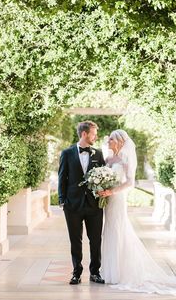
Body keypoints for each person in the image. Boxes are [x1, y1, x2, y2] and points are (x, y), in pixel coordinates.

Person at [99, 129, 176, 295]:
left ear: (119, 141)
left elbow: (130, 183)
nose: (108, 142)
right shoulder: (109, 158)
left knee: (117, 230)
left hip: (117, 200)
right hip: (108, 200)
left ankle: (120, 273)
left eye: (110, 139)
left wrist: (112, 192)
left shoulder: (126, 158)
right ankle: (110, 271)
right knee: (109, 231)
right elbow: (105, 177)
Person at [58, 120, 105, 285]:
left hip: (94, 205)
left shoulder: (98, 154)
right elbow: (62, 178)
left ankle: (95, 272)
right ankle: (76, 273)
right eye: (93, 134)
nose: (95, 137)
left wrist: (104, 194)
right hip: (72, 205)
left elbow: (104, 176)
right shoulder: (67, 153)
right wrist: (62, 201)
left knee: (96, 240)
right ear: (84, 134)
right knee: (75, 240)